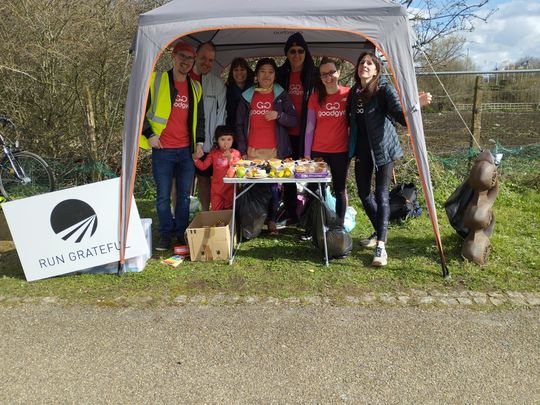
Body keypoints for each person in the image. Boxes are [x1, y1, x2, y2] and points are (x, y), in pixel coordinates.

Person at [348, 51, 432, 267]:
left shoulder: (383, 87)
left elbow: (398, 115)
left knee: (382, 194)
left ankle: (381, 247)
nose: (364, 65)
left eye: (369, 63)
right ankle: (380, 230)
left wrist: (416, 106)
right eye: (361, 62)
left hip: (384, 149)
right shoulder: (353, 92)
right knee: (364, 194)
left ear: (376, 69)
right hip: (362, 150)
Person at [140, 41, 205, 251]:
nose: (185, 61)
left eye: (189, 58)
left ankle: (181, 233)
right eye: (182, 56)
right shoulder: (155, 79)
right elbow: (138, 111)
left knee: (184, 197)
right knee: (163, 196)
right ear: (173, 57)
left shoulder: (195, 87)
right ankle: (165, 234)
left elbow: (200, 119)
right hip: (163, 150)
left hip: (186, 151)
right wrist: (149, 134)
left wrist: (200, 143)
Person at [236, 57, 297, 234]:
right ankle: (251, 221)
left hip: (275, 151)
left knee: (273, 188)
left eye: (270, 72)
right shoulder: (247, 96)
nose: (266, 75)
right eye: (262, 71)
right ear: (256, 74)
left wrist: (279, 115)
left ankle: (271, 220)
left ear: (275, 75)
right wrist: (242, 150)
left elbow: (293, 120)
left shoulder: (281, 95)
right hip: (252, 150)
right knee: (251, 186)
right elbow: (239, 124)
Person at [277, 32, 318, 224]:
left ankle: (311, 214)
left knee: (311, 173)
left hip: (309, 134)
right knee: (288, 174)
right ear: (287, 53)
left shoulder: (315, 74)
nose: (296, 54)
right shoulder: (280, 75)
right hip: (286, 133)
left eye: (300, 50)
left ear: (306, 52)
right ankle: (292, 213)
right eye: (292, 51)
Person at [304, 57, 350, 223]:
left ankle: (339, 226)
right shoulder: (315, 98)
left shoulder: (349, 94)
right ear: (320, 77)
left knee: (340, 189)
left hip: (341, 151)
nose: (328, 77)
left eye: (331, 72)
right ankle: (316, 225)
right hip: (318, 151)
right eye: (324, 74)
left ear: (339, 72)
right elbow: (309, 127)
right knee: (316, 189)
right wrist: (307, 153)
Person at [189, 41, 227, 211]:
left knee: (204, 179)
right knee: (180, 181)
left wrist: (215, 143)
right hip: (181, 140)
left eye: (211, 60)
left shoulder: (218, 84)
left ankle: (205, 213)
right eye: (203, 58)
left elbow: (221, 115)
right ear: (195, 55)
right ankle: (178, 215)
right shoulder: (183, 77)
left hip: (206, 143)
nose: (207, 63)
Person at [193, 125, 241, 211]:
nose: (226, 142)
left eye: (229, 139)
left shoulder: (236, 153)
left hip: (230, 191)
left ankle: (229, 225)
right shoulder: (213, 154)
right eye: (222, 139)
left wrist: (230, 159)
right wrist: (195, 159)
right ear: (217, 140)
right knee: (216, 212)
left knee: (229, 212)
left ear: (233, 140)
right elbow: (203, 166)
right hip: (216, 191)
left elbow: (235, 171)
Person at [225, 57, 254, 128]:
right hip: (232, 130)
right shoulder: (225, 90)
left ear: (247, 71)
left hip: (251, 129)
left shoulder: (255, 90)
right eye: (236, 70)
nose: (239, 73)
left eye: (242, 69)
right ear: (232, 72)